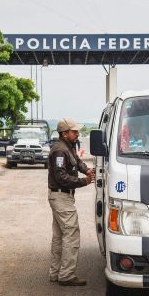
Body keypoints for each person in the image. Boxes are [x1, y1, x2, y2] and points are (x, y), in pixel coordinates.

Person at [47, 118, 95, 286]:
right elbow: (61, 177)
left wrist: (87, 170)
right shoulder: (60, 150)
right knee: (71, 234)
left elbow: (77, 162)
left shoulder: (69, 147)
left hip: (62, 197)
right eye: (74, 132)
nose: (77, 134)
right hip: (61, 197)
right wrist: (83, 181)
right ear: (64, 133)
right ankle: (66, 275)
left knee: (59, 237)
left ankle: (55, 273)